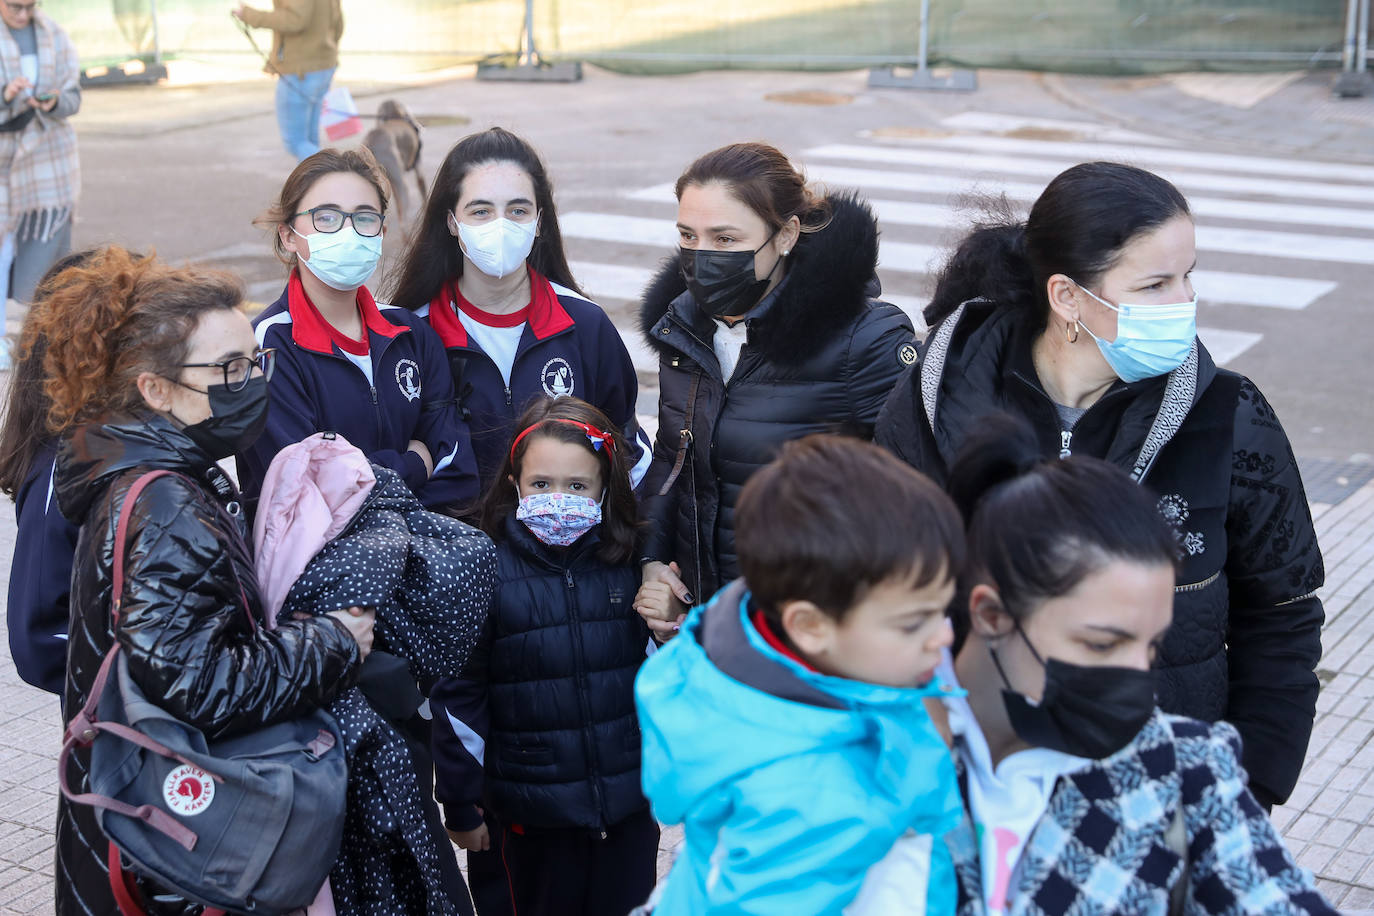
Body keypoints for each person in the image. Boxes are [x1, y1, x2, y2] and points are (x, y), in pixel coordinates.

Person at [875, 161, 1324, 810]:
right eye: (1155, 284)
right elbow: (878, 590)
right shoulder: (935, 402)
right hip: (966, 792)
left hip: (1159, 801)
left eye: (1187, 275)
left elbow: (1282, 612)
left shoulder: (1227, 415)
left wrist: (1248, 785)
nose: (1185, 303)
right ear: (1067, 297)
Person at [42, 247, 373, 915]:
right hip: (171, 853)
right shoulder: (165, 504)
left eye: (255, 361)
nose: (251, 381)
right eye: (228, 369)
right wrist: (335, 641)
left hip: (130, 823)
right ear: (156, 390)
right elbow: (200, 684)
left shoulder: (141, 473)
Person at [937, 416, 1334, 915]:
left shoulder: (1184, 774)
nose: (1139, 685)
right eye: (1102, 645)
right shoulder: (869, 754)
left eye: (1150, 648)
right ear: (991, 615)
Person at [635, 435, 965, 915]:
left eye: (943, 611)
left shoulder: (774, 660)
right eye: (914, 622)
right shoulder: (808, 800)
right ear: (810, 626)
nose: (944, 638)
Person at [635, 142, 916, 639]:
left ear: (785, 235)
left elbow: (910, 498)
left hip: (810, 636)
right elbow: (673, 460)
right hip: (708, 627)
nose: (702, 257)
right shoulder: (683, 331)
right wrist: (653, 560)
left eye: (725, 239)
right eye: (688, 236)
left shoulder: (864, 340)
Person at [430, 397, 656, 916]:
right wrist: (461, 802)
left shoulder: (629, 565)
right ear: (514, 484)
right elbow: (459, 695)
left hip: (625, 810)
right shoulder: (483, 571)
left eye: (577, 487)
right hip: (526, 820)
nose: (558, 499)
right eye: (541, 484)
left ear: (604, 488)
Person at [389, 126, 650, 494]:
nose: (501, 226)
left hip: (569, 548)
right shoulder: (411, 335)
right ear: (452, 222)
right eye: (480, 211)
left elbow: (629, 452)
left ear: (539, 221)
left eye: (517, 210)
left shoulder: (586, 325)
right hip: (456, 547)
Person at [239, 147, 479, 514]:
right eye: (326, 217)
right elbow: (305, 491)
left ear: (381, 231)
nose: (348, 231)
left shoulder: (410, 333)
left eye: (364, 218)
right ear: (288, 235)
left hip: (421, 554)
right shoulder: (268, 347)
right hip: (319, 566)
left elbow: (458, 471)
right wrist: (414, 464)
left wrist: (378, 490)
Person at [0, 248, 95, 697]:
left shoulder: (151, 434)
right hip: (125, 736)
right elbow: (37, 641)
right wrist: (151, 676)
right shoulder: (64, 467)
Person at [0, 0, 80, 336]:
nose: (22, 14)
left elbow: (73, 99)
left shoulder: (55, 35)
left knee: (47, 267)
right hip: (5, 157)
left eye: (30, 6)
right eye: (14, 6)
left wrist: (54, 101)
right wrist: (5, 97)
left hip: (49, 163)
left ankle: (38, 339)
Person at [232, 0, 343, 161]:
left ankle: (333, 178)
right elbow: (338, 23)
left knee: (296, 142)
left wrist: (250, 15)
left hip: (300, 71)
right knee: (309, 140)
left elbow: (295, 20)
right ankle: (315, 183)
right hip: (324, 64)